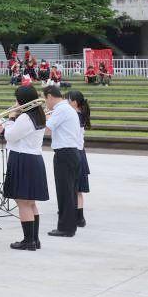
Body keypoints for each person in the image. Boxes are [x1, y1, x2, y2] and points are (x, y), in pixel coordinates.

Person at [0, 85, 49, 250]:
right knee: (30, 202)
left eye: (17, 99)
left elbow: (11, 136)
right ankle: (34, 239)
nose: (15, 102)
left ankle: (28, 241)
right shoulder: (38, 114)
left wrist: (10, 119)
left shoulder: (25, 117)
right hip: (33, 159)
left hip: (23, 159)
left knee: (23, 202)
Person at [44, 85, 82, 237]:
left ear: (49, 97)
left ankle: (66, 228)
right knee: (69, 191)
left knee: (65, 191)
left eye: (45, 100)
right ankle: (68, 226)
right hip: (71, 152)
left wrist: (42, 116)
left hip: (65, 153)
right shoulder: (66, 108)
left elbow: (47, 128)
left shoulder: (61, 109)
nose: (46, 104)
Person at [67, 90, 92, 228]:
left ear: (75, 102)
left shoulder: (74, 116)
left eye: (68, 100)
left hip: (75, 151)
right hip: (80, 152)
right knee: (78, 190)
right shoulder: (80, 114)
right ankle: (79, 217)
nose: (66, 103)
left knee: (74, 188)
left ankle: (77, 216)